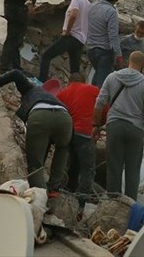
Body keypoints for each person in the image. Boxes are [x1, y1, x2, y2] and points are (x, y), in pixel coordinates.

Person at [93, 50, 144, 198]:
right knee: (132, 171)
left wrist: (95, 126)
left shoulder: (112, 77)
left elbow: (99, 102)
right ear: (142, 65)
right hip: (135, 129)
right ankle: (129, 206)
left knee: (114, 168)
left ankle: (112, 202)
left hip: (114, 126)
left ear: (129, 62)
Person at [0, 69, 71, 191]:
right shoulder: (52, 97)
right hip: (65, 117)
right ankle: (54, 189)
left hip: (40, 115)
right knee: (62, 149)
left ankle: (40, 195)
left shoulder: (30, 88)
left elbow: (15, 74)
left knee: (35, 166)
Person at [56, 72, 100, 201]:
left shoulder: (62, 93)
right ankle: (82, 200)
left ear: (69, 82)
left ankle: (66, 193)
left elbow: (58, 114)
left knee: (71, 164)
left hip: (69, 133)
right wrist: (97, 125)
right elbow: (105, 108)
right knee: (87, 168)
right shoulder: (93, 90)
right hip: (86, 133)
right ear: (84, 81)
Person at [39, 0, 91, 82]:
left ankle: (41, 81)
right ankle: (75, 88)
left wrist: (67, 31)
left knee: (46, 55)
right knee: (74, 68)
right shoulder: (88, 3)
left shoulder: (76, 0)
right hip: (81, 39)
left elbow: (73, 15)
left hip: (71, 36)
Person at [86, 0, 123, 87]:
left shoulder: (92, 6)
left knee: (98, 76)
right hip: (104, 51)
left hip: (91, 49)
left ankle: (90, 98)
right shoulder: (111, 12)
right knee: (102, 85)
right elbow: (113, 36)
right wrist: (118, 54)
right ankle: (97, 102)